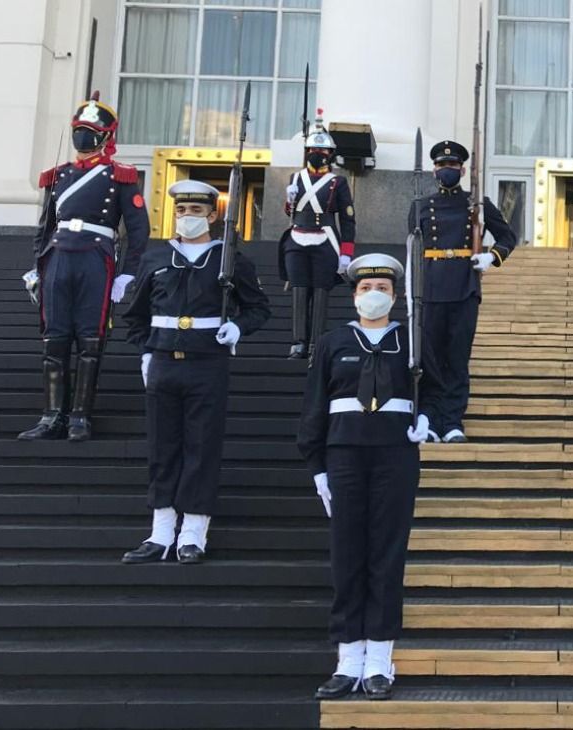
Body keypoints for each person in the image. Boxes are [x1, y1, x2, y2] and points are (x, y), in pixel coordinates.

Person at [297, 254, 429, 701]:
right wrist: (317, 467)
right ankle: (348, 657)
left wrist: (427, 418)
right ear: (354, 295)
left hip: (394, 455)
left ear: (395, 296)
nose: (374, 296)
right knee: (347, 556)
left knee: (386, 556)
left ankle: (379, 659)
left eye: (383, 290)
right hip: (345, 455)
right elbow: (315, 406)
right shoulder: (335, 342)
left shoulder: (410, 343)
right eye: (366, 288)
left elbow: (438, 387)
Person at [120, 180, 270, 564]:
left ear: (213, 215)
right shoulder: (156, 259)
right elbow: (135, 316)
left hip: (207, 364)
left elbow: (258, 307)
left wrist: (238, 327)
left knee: (201, 447)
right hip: (164, 364)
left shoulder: (229, 258)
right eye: (182, 211)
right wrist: (146, 352)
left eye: (196, 211)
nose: (187, 217)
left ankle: (193, 533)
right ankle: (160, 531)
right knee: (162, 447)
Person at [19, 92, 149, 442]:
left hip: (96, 258)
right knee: (55, 339)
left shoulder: (119, 177)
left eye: (90, 130)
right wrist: (37, 266)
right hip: (59, 257)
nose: (83, 137)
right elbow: (45, 227)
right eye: (79, 129)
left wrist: (127, 274)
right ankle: (51, 416)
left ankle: (79, 417)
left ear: (107, 136)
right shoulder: (58, 176)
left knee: (90, 341)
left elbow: (139, 231)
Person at [408, 140, 517, 444]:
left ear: (463, 169)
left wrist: (491, 257)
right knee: (429, 358)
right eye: (442, 166)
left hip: (462, 286)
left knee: (456, 358)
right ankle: (429, 418)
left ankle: (453, 421)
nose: (447, 170)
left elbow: (508, 236)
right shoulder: (420, 205)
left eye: (453, 166)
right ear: (434, 170)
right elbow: (412, 249)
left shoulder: (476, 202)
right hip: (429, 288)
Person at [278, 111, 357, 359]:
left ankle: (316, 343)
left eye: (322, 151)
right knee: (300, 289)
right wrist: (289, 200)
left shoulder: (338, 182)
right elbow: (292, 212)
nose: (317, 153)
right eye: (313, 148)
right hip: (297, 236)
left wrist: (346, 254)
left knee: (321, 291)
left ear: (330, 155)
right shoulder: (296, 178)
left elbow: (347, 219)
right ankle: (298, 341)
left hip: (325, 239)